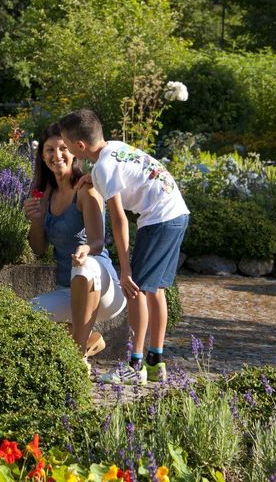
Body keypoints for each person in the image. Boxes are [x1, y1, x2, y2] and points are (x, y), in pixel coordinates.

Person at [58, 109, 189, 385]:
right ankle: (156, 361)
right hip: (177, 212)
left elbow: (118, 220)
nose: (66, 150)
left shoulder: (103, 169)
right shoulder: (113, 149)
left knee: (135, 290)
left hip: (159, 220)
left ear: (80, 147)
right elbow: (128, 173)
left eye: (66, 145)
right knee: (156, 291)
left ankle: (135, 364)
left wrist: (125, 269)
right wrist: (95, 178)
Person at [23, 124, 126, 367]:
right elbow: (38, 250)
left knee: (84, 266)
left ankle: (77, 357)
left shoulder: (86, 188)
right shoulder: (43, 193)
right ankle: (88, 339)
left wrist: (86, 250)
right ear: (42, 155)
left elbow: (98, 242)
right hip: (67, 291)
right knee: (25, 316)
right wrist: (36, 222)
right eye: (49, 149)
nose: (56, 155)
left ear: (73, 151)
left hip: (102, 289)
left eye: (62, 148)